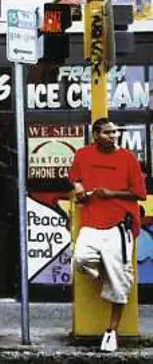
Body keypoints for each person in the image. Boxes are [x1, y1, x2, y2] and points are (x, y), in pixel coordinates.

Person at [68, 117, 146, 352]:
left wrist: (111, 193)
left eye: (114, 133)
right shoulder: (83, 155)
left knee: (120, 283)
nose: (113, 136)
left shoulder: (127, 158)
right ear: (95, 135)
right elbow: (75, 178)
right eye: (107, 133)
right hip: (91, 223)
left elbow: (140, 193)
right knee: (80, 260)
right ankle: (105, 274)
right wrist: (79, 190)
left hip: (119, 225)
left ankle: (112, 332)